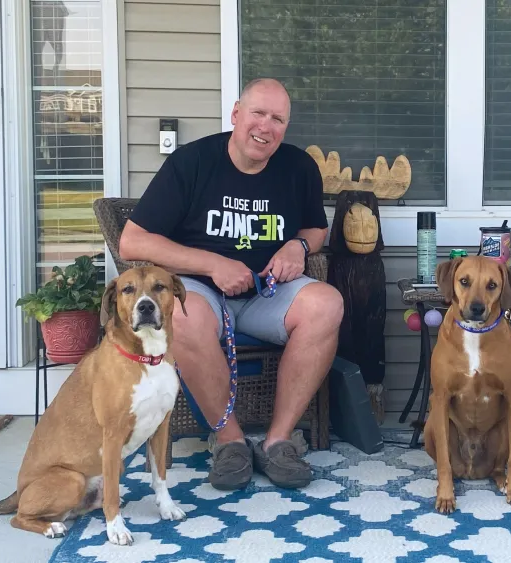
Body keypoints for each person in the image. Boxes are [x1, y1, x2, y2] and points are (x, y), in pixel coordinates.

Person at [118, 78, 344, 490]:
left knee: (326, 303)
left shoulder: (298, 167)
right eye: (258, 113)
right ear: (236, 114)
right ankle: (230, 443)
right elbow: (133, 240)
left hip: (266, 291)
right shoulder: (193, 162)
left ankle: (279, 441)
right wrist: (213, 263)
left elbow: (315, 228)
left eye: (278, 119)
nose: (266, 126)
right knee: (181, 316)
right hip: (202, 291)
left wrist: (297, 245)